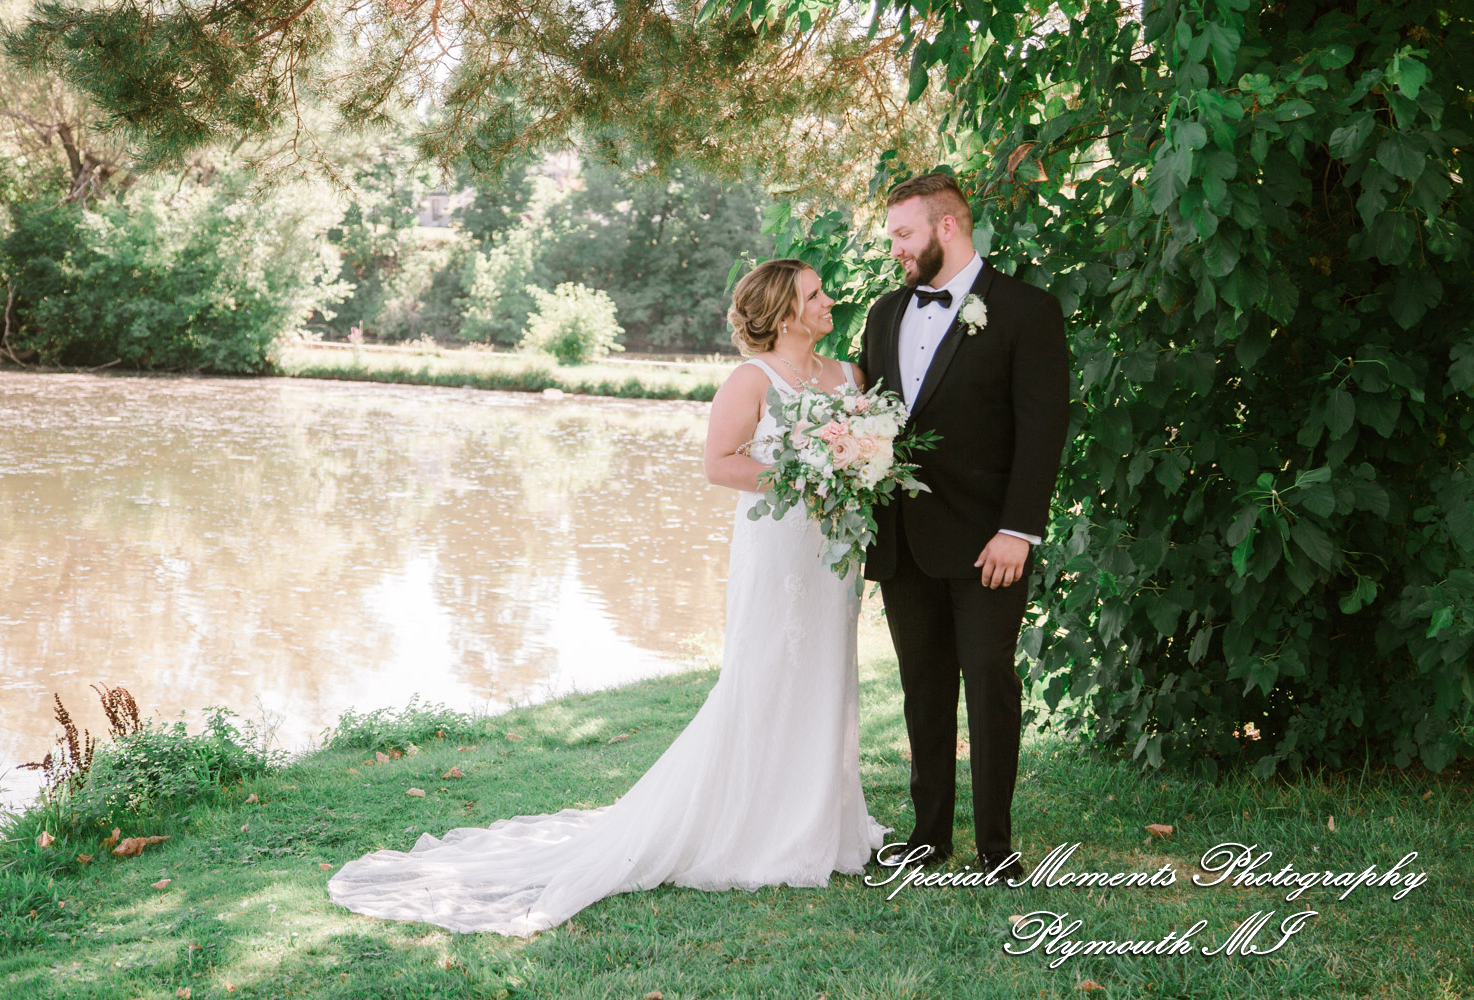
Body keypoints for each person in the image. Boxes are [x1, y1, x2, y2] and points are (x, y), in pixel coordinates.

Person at [327, 258, 890, 936]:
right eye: (815, 294)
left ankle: (824, 821)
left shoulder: (848, 377)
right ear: (787, 312)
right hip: (777, 550)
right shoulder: (752, 380)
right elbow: (720, 463)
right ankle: (758, 825)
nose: (829, 300)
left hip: (832, 554)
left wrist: (853, 465)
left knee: (828, 672)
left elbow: (871, 449)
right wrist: (803, 476)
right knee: (767, 672)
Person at [857, 173, 1070, 882]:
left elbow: (1043, 431)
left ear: (947, 228)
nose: (895, 249)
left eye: (903, 234)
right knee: (922, 685)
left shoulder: (1026, 310)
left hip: (989, 542)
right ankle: (928, 834)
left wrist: (1020, 529)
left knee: (987, 678)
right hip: (904, 538)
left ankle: (996, 845)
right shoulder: (885, 313)